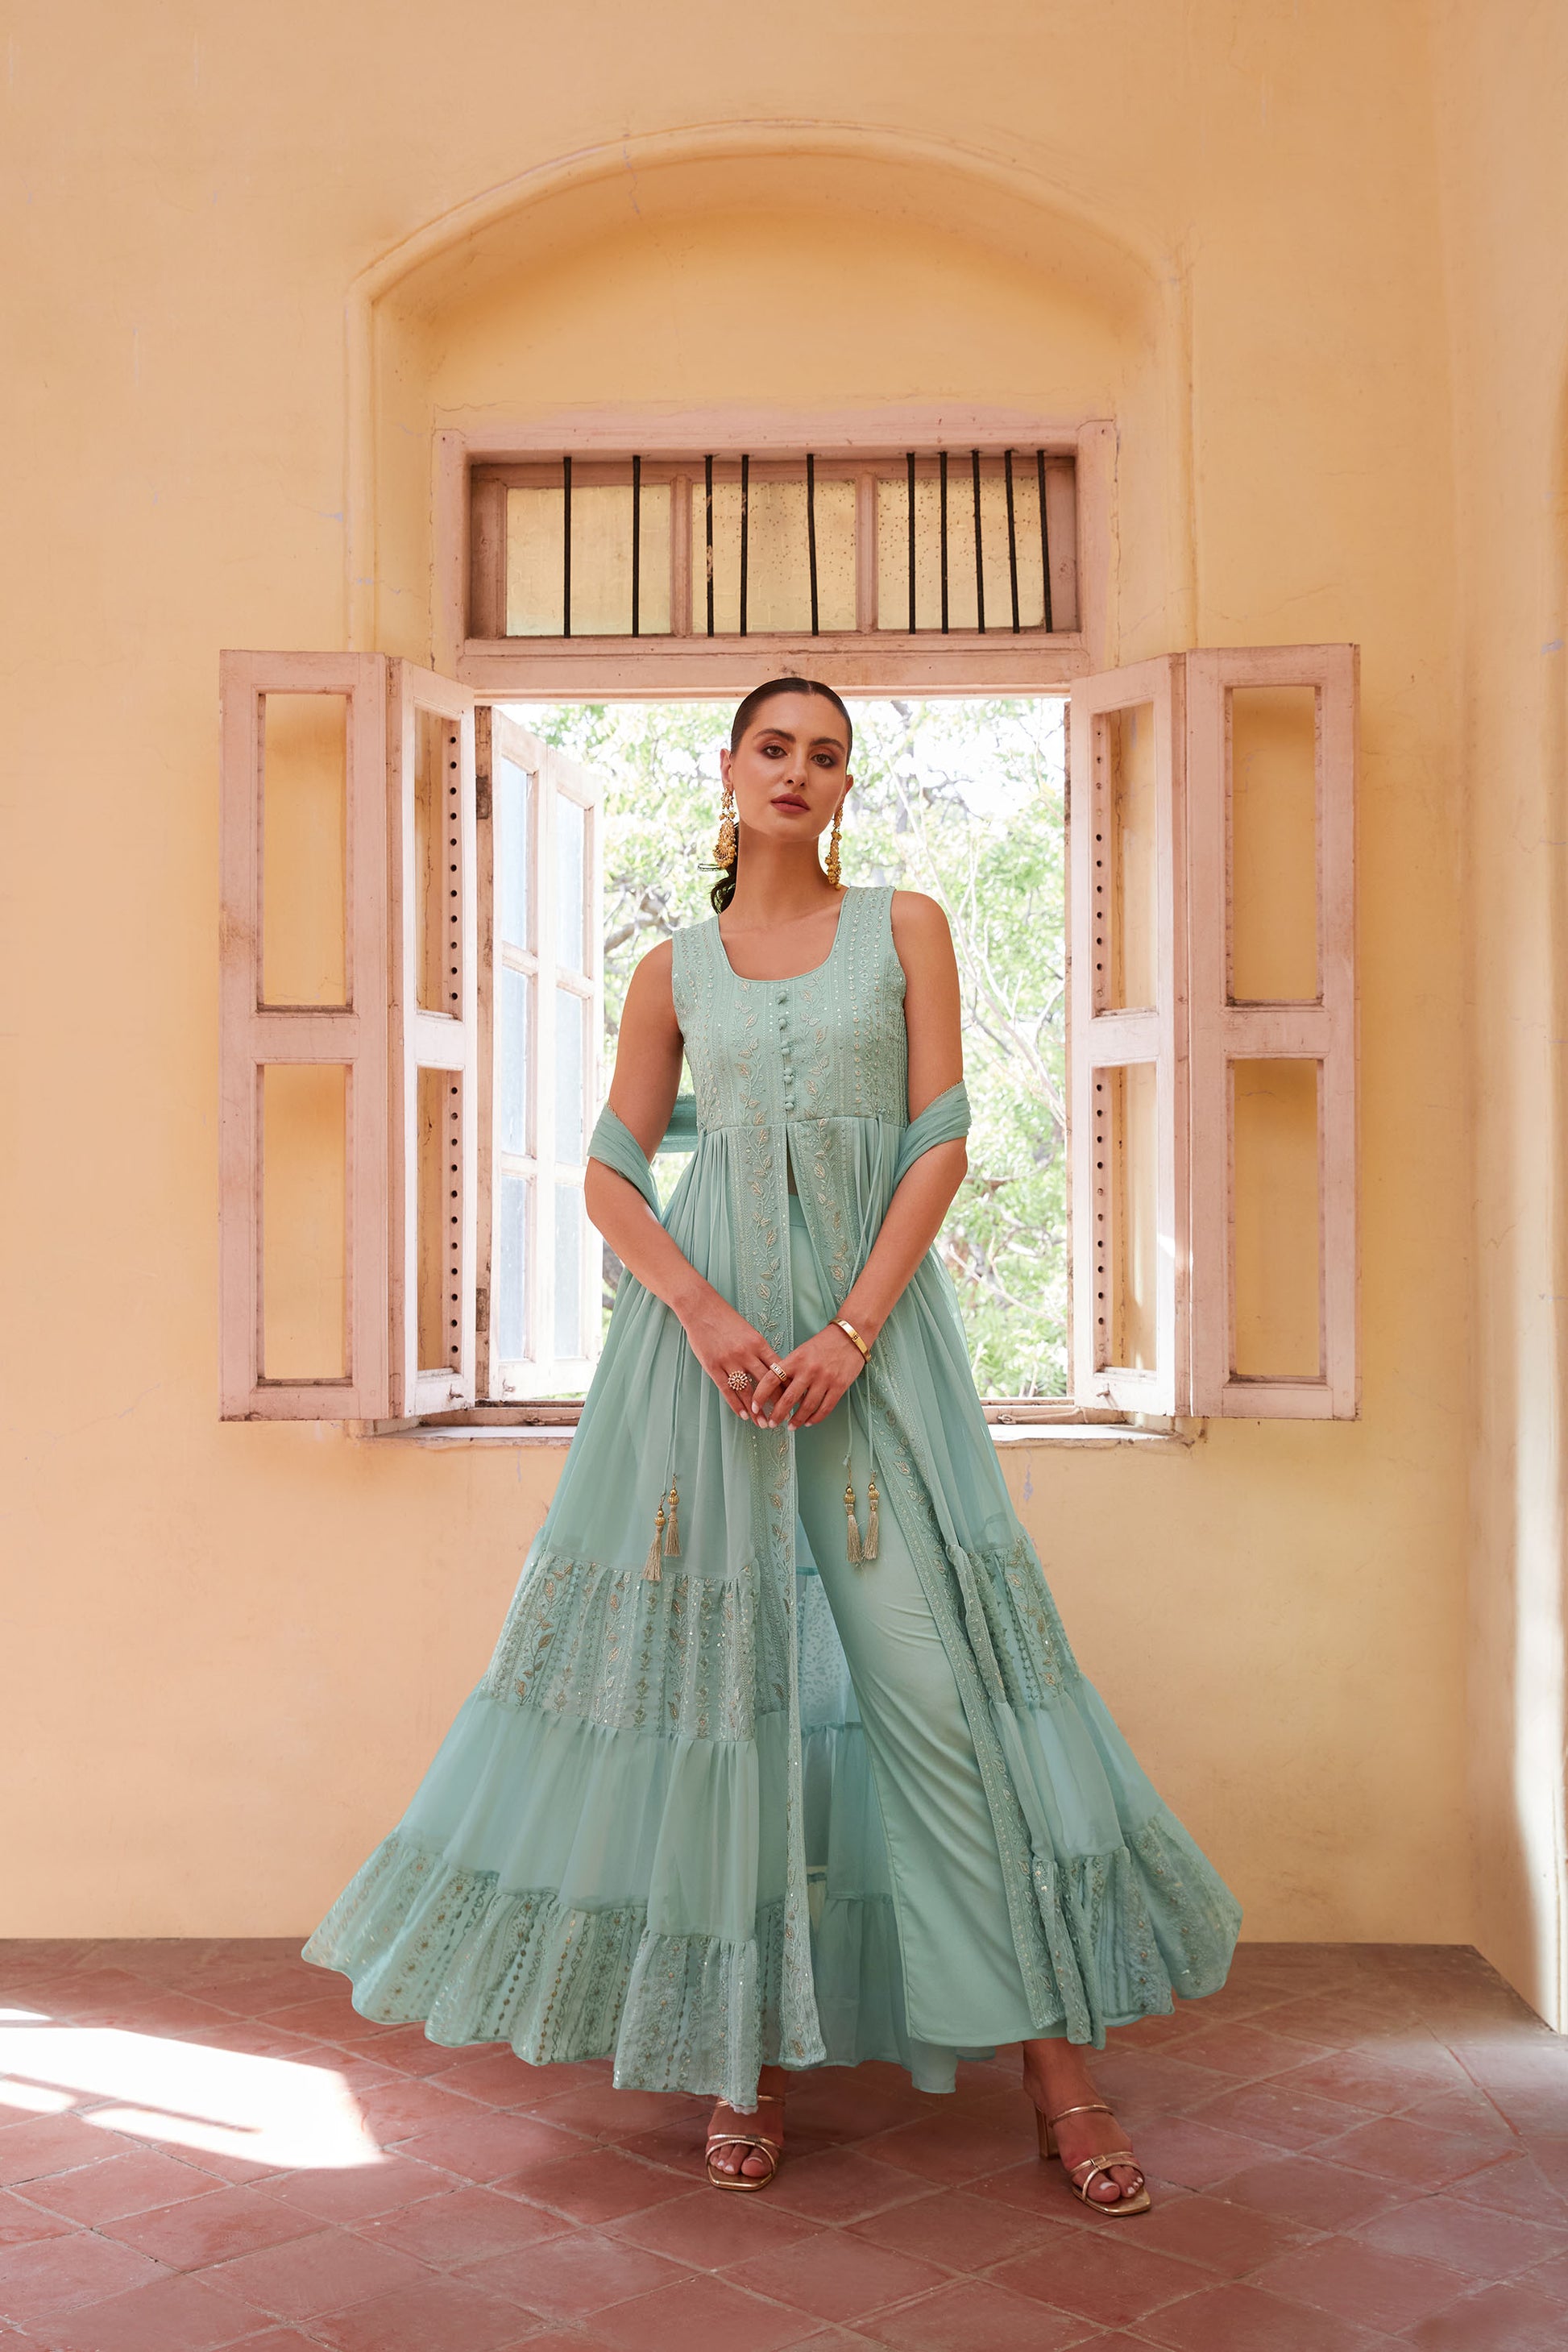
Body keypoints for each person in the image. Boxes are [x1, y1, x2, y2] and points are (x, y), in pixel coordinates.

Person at [305, 676, 1241, 2217]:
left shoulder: (905, 926)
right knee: (720, 1706)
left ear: (846, 786)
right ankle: (739, 2057)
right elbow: (611, 1173)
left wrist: (851, 1330)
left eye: (825, 755)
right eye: (773, 748)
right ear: (728, 770)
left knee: (947, 1703)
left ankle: (1054, 2065)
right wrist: (701, 1314)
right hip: (711, 1374)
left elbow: (940, 1138)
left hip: (876, 1359)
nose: (797, 772)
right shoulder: (673, 968)